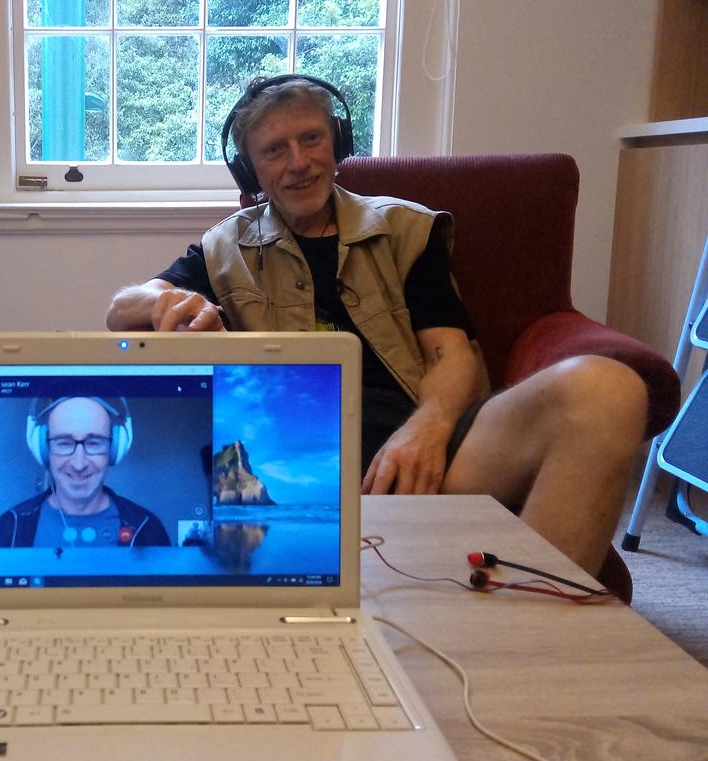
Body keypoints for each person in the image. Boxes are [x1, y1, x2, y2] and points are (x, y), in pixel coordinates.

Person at [106, 74, 647, 579]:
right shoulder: (225, 247)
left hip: (432, 456)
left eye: (312, 138)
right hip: (303, 462)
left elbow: (449, 353)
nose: (300, 162)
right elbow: (121, 308)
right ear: (251, 171)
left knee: (608, 387)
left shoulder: (406, 229)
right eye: (275, 150)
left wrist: (428, 428)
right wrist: (166, 300)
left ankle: (540, 630)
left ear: (337, 143)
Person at [0, 391, 170, 548]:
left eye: (95, 443)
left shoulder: (147, 528)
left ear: (115, 450)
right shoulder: (11, 526)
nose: (79, 464)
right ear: (43, 449)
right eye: (64, 443)